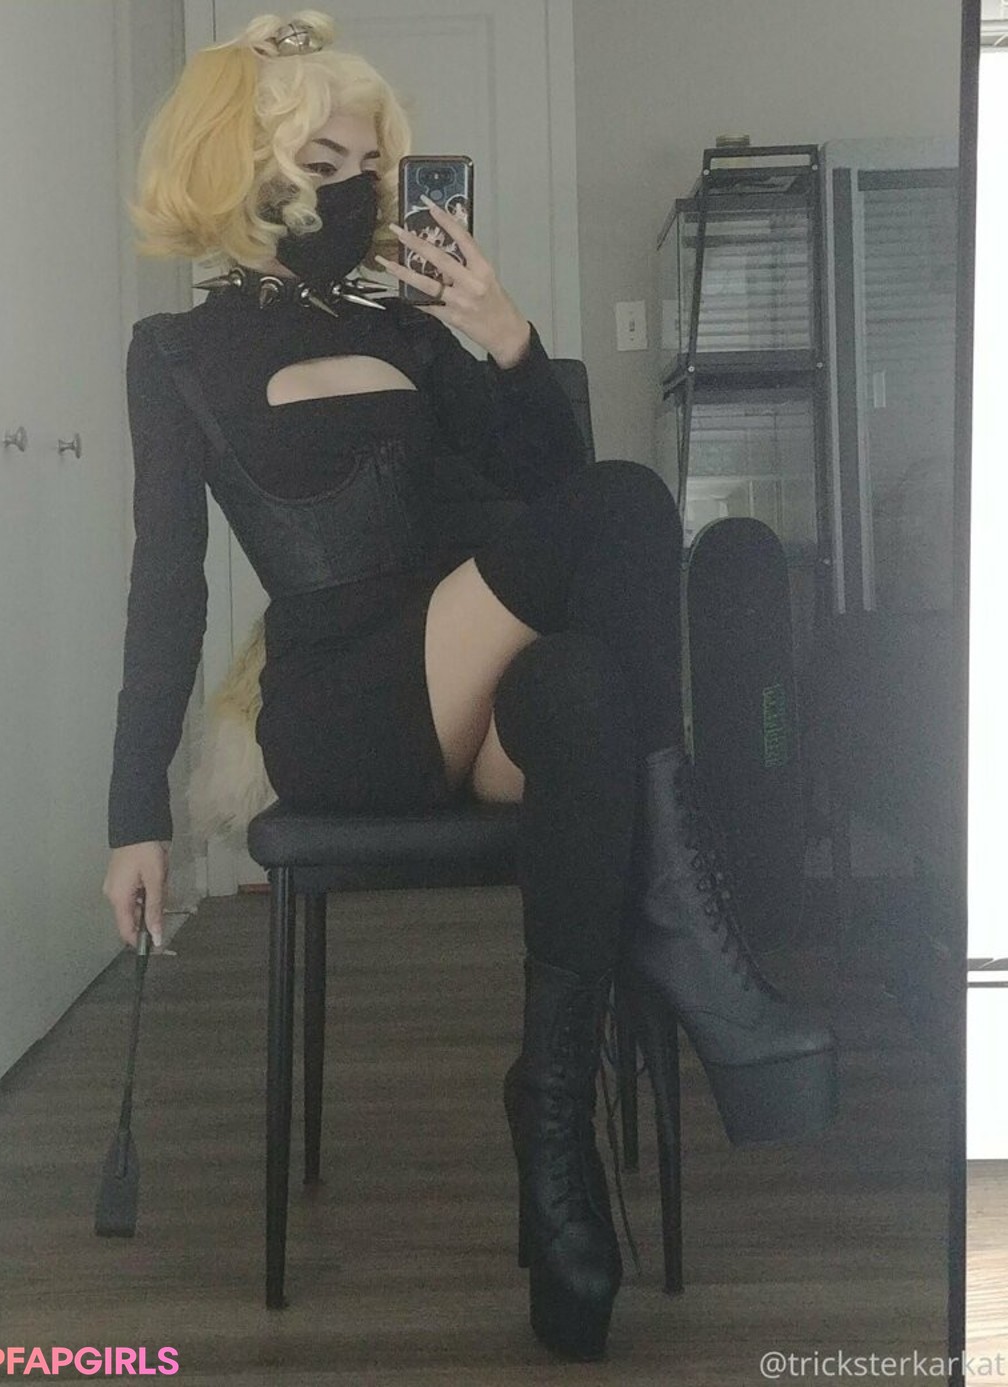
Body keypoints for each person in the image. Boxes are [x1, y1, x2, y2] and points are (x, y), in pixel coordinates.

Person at [101, 10, 838, 1363]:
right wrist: (132, 813)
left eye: (369, 166)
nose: (355, 191)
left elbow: (552, 503)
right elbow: (165, 589)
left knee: (586, 688)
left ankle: (551, 1113)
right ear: (242, 172)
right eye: (323, 163)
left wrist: (506, 341)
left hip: (473, 678)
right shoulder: (177, 356)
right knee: (631, 504)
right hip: (341, 708)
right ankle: (689, 931)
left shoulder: (414, 326)